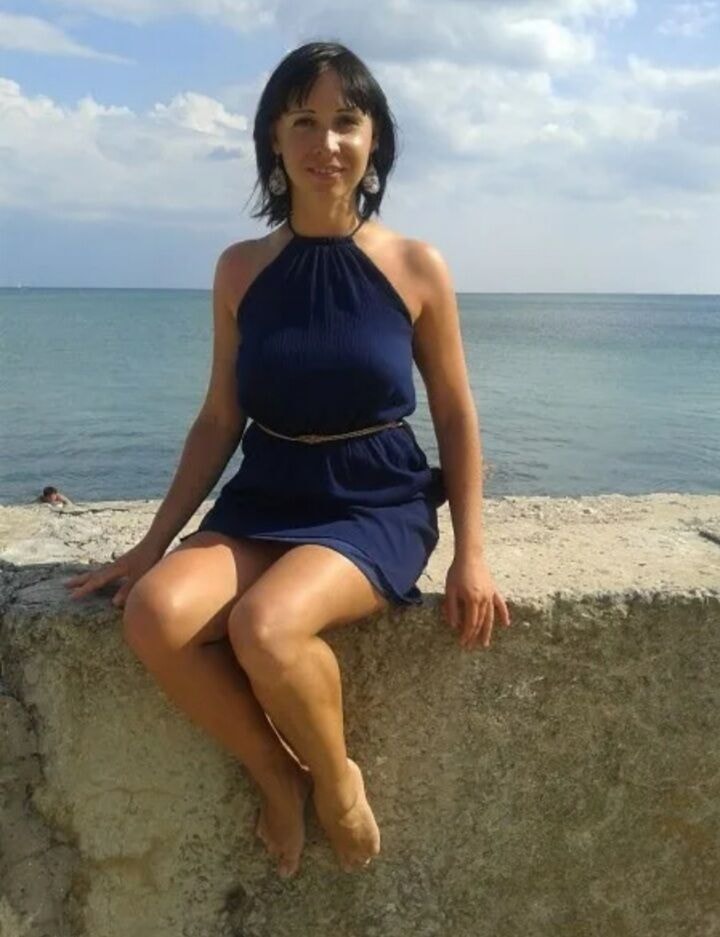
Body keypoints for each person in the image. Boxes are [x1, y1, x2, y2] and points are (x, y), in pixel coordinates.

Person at [64, 41, 511, 879]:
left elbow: (455, 411)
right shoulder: (241, 269)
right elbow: (219, 417)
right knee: (153, 614)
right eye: (303, 120)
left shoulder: (417, 266)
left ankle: (336, 784)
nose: (325, 142)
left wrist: (472, 554)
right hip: (266, 494)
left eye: (346, 120)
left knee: (264, 627)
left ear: (374, 139)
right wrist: (152, 543)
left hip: (373, 502)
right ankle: (276, 771)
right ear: (274, 138)